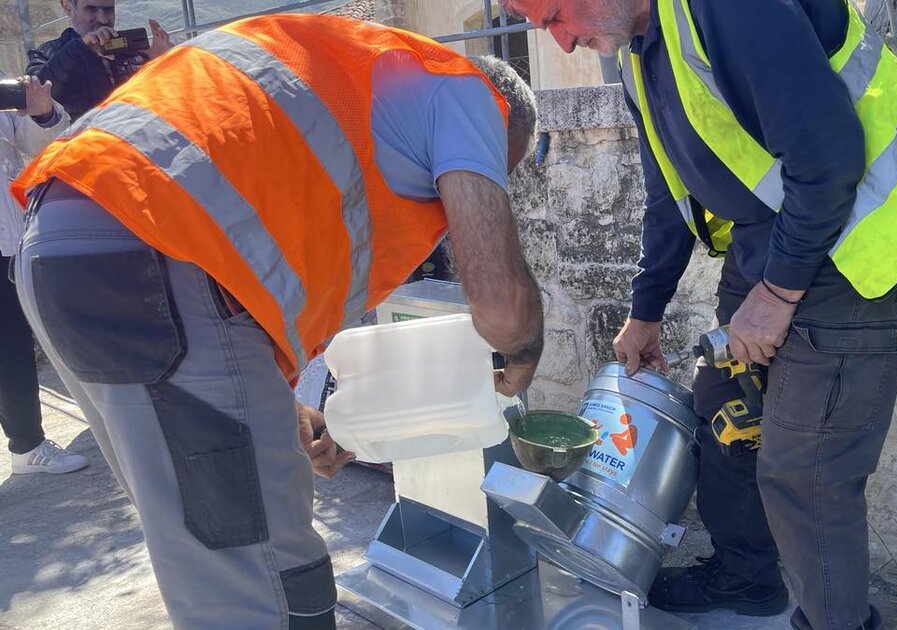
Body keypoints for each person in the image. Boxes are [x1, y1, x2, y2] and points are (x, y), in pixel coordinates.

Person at [10, 13, 543, 629]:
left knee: (208, 545)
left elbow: (241, 242)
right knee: (267, 582)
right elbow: (501, 308)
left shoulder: (358, 72)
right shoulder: (466, 92)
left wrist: (274, 405)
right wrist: (523, 352)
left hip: (59, 249)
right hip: (153, 260)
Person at [502, 0, 897, 628]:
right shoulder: (640, 51)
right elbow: (669, 197)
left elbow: (828, 159)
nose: (561, 44)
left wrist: (775, 297)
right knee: (726, 411)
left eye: (556, 16)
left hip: (859, 241)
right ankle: (747, 577)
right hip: (772, 240)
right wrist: (646, 312)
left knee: (805, 469)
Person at [1, 74, 83, 476]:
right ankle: (28, 445)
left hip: (15, 236)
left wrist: (43, 113)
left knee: (53, 327)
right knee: (8, 347)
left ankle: (28, 447)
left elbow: (45, 148)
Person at [27, 0, 172, 120]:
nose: (103, 19)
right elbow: (35, 94)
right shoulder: (46, 53)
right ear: (68, 7)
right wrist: (81, 48)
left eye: (109, 10)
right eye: (91, 9)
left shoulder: (130, 51)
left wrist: (160, 63)